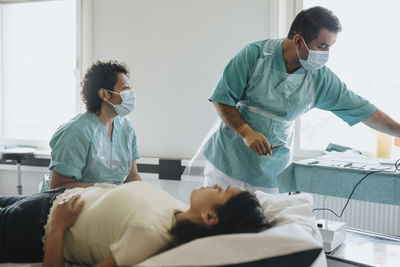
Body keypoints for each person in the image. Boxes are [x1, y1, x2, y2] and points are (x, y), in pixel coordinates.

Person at [200, 6, 400, 193]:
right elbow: (222, 99)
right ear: (297, 40)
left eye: (330, 47)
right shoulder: (255, 55)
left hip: (271, 170)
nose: (327, 54)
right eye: (322, 46)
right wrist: (246, 133)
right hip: (228, 161)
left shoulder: (319, 78)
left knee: (264, 227)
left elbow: (363, 109)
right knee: (219, 223)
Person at [0, 182, 270, 267]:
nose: (213, 184)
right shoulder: (175, 208)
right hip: (50, 198)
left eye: (220, 191)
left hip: (34, 226)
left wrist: (58, 227)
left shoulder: (151, 237)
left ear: (211, 217)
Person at [40, 60, 141, 192]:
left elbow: (132, 177)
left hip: (106, 202)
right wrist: (102, 190)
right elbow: (58, 186)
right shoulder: (76, 131)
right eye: (125, 89)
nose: (130, 93)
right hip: (69, 206)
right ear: (104, 94)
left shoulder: (126, 127)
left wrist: (142, 196)